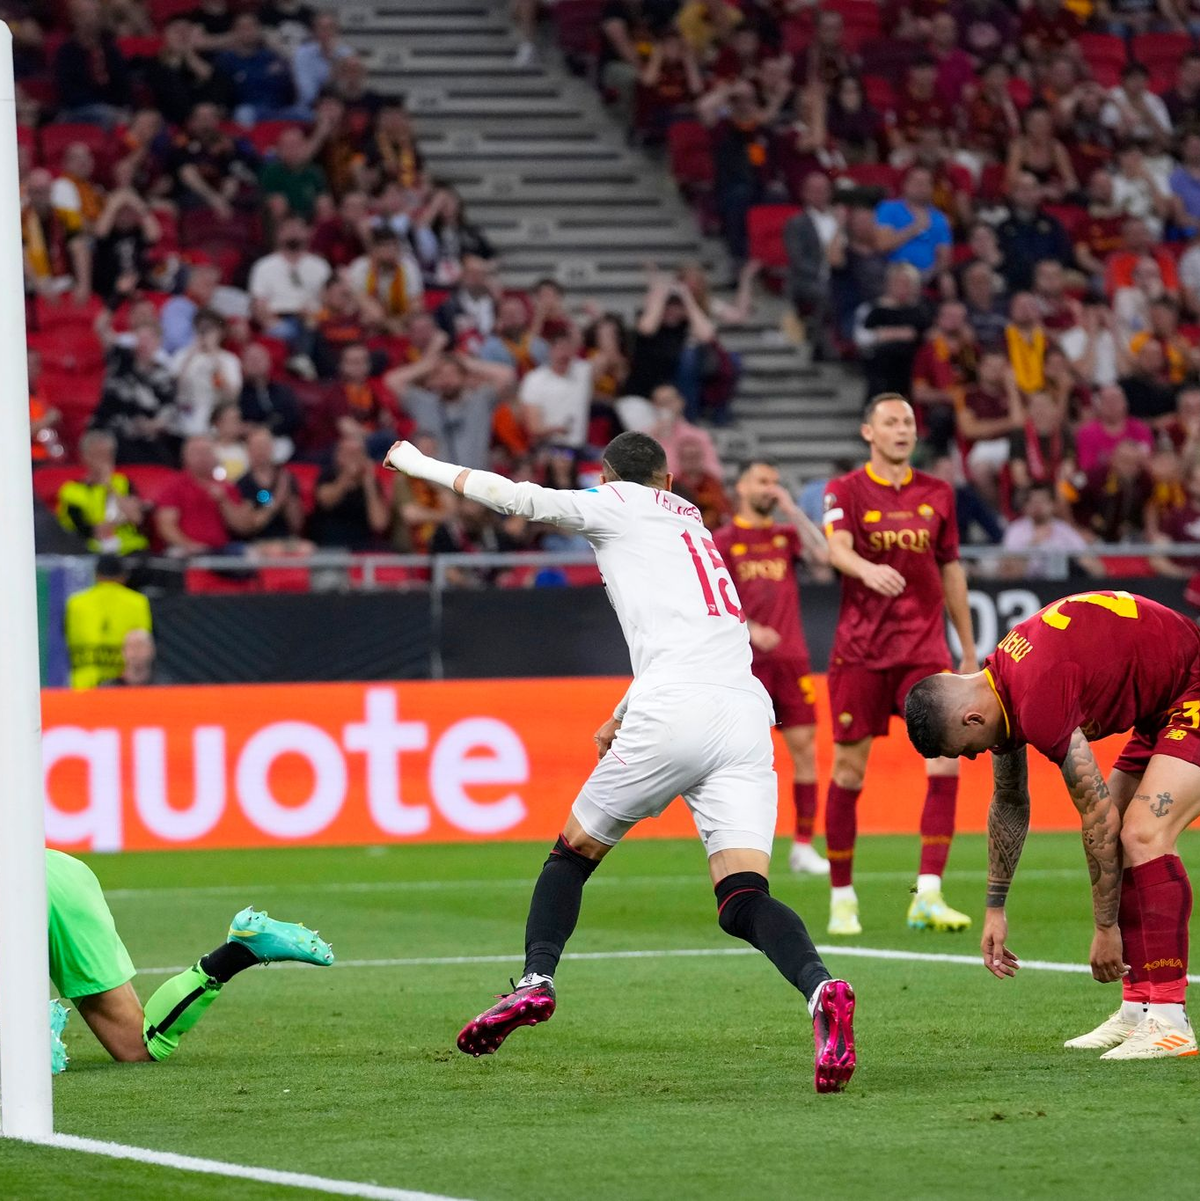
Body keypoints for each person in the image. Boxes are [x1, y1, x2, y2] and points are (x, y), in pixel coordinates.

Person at [384, 431, 857, 1093]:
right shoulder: (691, 522)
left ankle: (535, 980)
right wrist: (620, 712)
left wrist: (417, 463)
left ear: (607, 479)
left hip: (675, 710)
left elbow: (515, 497)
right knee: (743, 896)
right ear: (669, 480)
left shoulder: (614, 504)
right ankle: (821, 988)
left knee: (571, 855)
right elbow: (684, 638)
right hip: (745, 714)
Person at [904, 590, 1200, 1060]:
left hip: (1192, 687)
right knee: (1126, 830)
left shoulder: (1036, 696)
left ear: (972, 718)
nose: (975, 756)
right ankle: (1139, 1008)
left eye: (967, 748)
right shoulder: (999, 684)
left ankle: (1170, 1020)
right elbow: (1009, 799)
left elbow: (1097, 816)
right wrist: (995, 908)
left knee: (1142, 833)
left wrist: (1105, 928)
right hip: (1163, 706)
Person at [821, 393, 977, 937]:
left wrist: (968, 648)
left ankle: (928, 895)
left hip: (923, 650)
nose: (902, 429)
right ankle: (842, 898)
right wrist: (866, 569)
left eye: (908, 421)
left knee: (946, 761)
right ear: (869, 432)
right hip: (861, 652)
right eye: (890, 421)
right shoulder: (845, 489)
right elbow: (836, 548)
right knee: (849, 770)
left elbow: (951, 569)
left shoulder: (938, 492)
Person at [45, 849, 331, 1072]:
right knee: (135, 1046)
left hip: (23, 882)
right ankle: (237, 952)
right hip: (65, 875)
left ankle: (35, 1034)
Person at [713, 461, 830, 876]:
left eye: (775, 483)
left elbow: (824, 555)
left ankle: (803, 846)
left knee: (805, 751)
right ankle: (736, 843)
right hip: (745, 664)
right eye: (763, 482)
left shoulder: (785, 535)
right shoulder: (725, 540)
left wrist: (793, 509)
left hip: (791, 659)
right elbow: (712, 598)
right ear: (742, 488)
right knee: (740, 757)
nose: (770, 489)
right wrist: (749, 628)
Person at [64, 554, 152, 690]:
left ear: (96, 576)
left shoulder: (75, 603)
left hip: (83, 685)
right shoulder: (138, 602)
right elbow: (145, 646)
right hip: (123, 686)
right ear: (123, 576)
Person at [55, 430, 149, 555]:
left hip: (131, 549)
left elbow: (136, 518)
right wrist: (118, 521)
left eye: (108, 455)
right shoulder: (72, 490)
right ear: (85, 457)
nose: (104, 461)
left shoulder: (123, 483)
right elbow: (87, 531)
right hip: (93, 550)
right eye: (98, 455)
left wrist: (109, 486)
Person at [99, 628, 170, 687]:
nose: (136, 651)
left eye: (140, 646)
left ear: (152, 650)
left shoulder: (165, 687)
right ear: (123, 651)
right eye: (131, 646)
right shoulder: (107, 689)